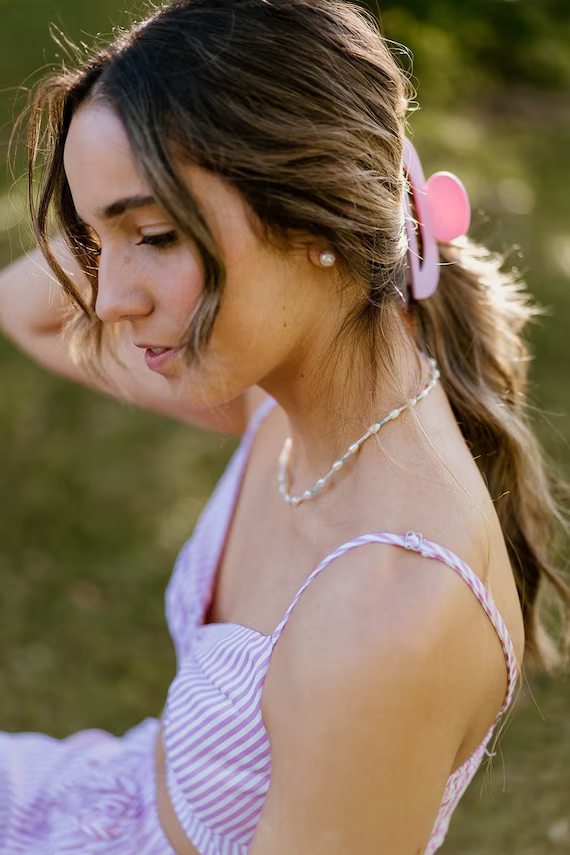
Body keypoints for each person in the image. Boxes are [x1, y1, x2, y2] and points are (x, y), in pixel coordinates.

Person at [0, 0, 568, 853]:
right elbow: (21, 310)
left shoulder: (385, 612)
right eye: (95, 242)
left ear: (314, 216)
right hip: (94, 803)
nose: (110, 300)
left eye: (154, 233)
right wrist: (118, 183)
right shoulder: (285, 398)